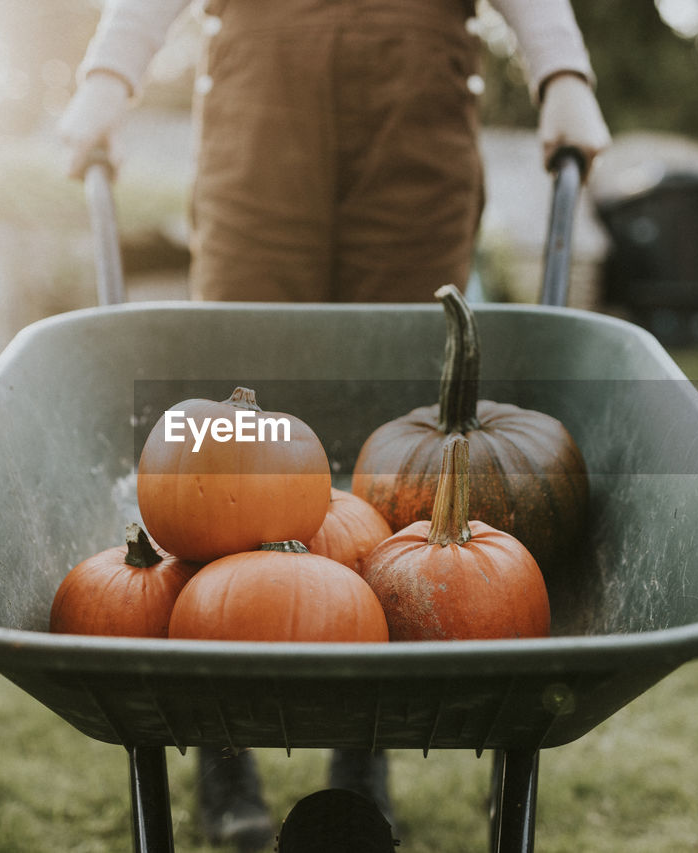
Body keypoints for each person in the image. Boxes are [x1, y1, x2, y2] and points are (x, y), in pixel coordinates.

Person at [60, 0, 609, 847]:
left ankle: (367, 742)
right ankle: (220, 741)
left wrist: (562, 70)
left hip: (416, 83)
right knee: (230, 418)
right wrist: (107, 71)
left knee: (396, 406)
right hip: (260, 78)